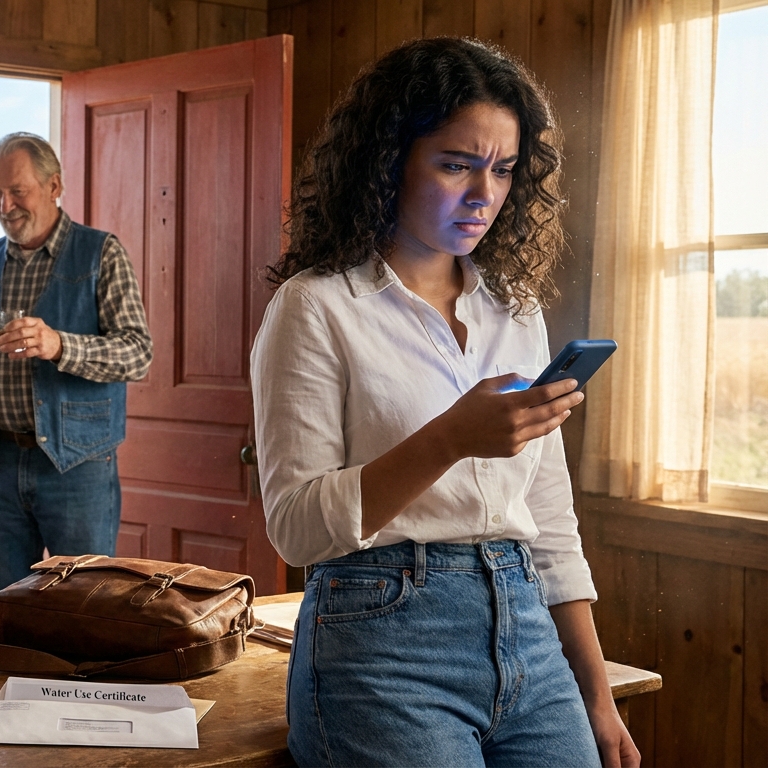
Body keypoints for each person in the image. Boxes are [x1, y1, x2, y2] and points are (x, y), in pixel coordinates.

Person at [250, 38, 639, 767]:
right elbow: (297, 530)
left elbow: (549, 520)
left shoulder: (514, 311)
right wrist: (452, 436)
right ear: (389, 159)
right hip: (382, 641)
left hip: (528, 630)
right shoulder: (317, 308)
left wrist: (595, 692)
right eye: (456, 164)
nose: (483, 194)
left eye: (503, 170)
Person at [0, 132, 153, 598]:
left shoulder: (101, 253)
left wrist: (60, 344)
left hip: (77, 468)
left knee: (87, 605)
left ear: (54, 185)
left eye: (17, 190)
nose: (5, 203)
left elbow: (138, 353)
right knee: (4, 606)